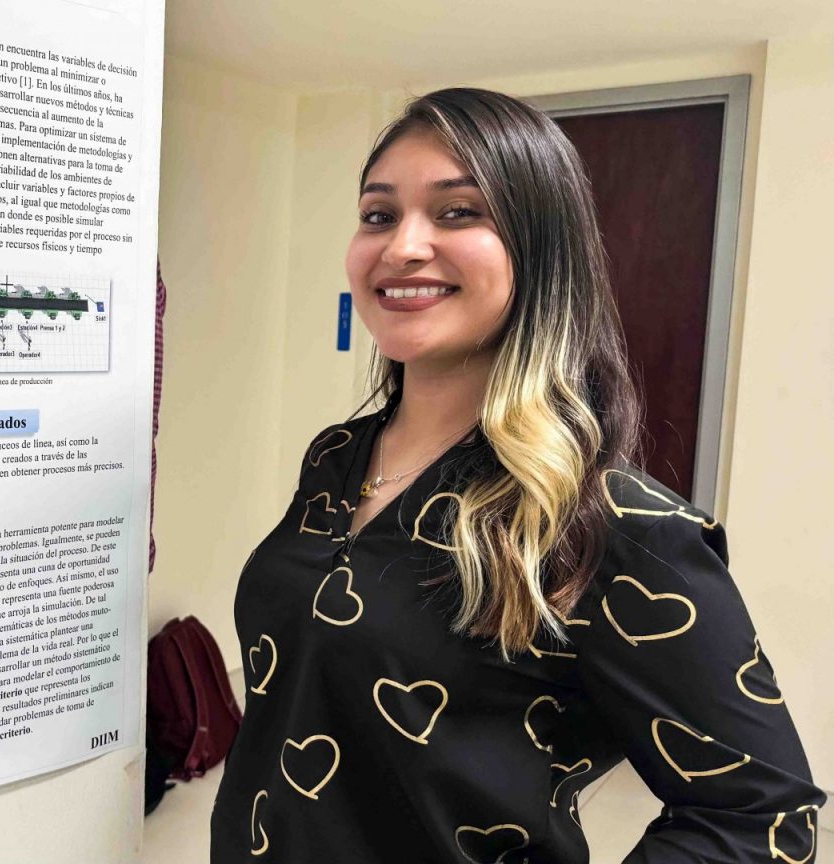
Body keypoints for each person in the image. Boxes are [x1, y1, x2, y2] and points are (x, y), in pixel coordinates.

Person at [209, 88, 822, 862]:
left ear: (541, 247)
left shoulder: (614, 522)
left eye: (458, 212)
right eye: (379, 214)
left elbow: (760, 817)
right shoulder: (337, 459)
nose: (403, 246)